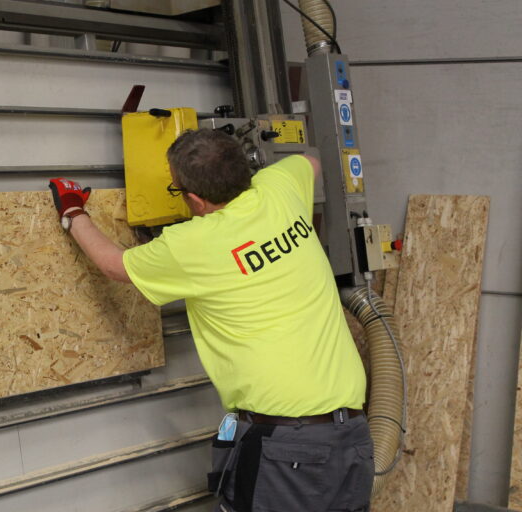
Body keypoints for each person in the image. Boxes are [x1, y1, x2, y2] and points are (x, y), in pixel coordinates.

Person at [48, 128, 374, 511]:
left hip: (287, 447)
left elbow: (113, 266)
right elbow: (312, 161)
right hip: (352, 433)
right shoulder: (281, 188)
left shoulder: (192, 244)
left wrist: (72, 212)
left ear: (196, 200)